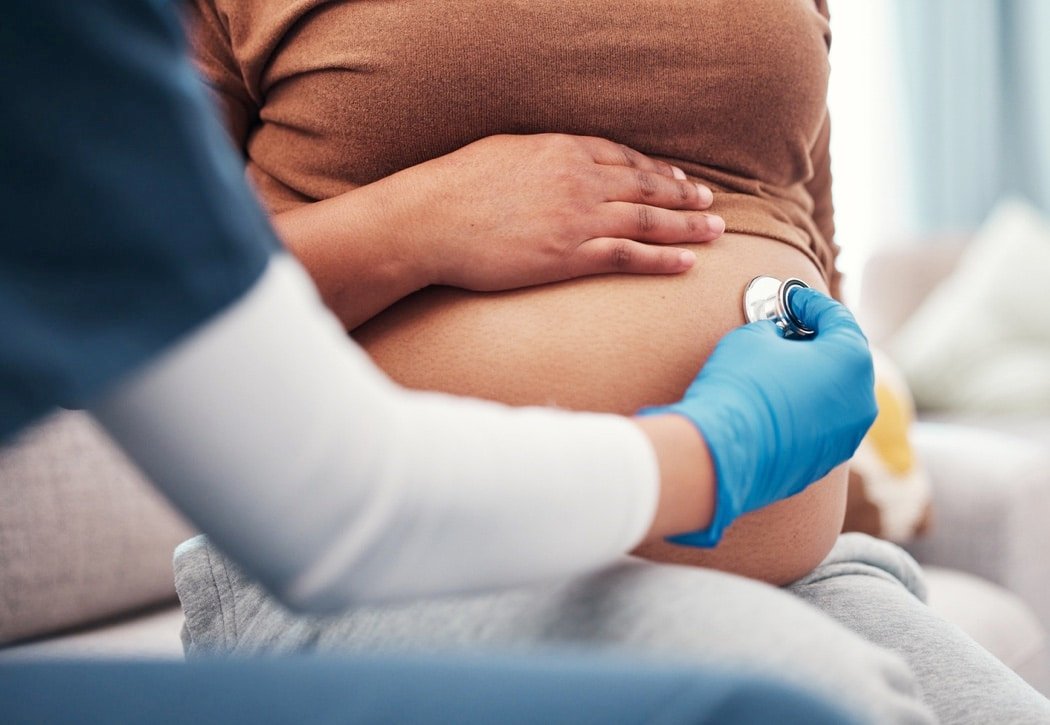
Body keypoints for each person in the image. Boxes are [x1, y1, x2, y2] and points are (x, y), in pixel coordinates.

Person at [169, 1, 1050, 721]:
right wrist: (417, 224)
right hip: (383, 573)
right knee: (820, 699)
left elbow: (801, 228)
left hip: (785, 572)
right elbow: (144, 303)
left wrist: (834, 404)